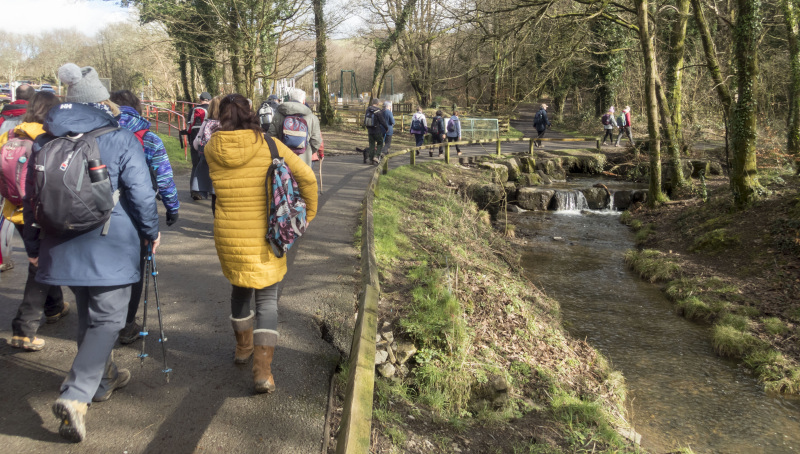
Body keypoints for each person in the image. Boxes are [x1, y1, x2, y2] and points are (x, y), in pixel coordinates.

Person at [26, 63, 160, 442]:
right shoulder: (119, 139)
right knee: (109, 320)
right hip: (110, 245)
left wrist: (35, 247)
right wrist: (150, 234)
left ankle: (103, 381)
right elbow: (141, 194)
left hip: (60, 244)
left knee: (90, 312)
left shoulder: (44, 140)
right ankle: (76, 394)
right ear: (101, 100)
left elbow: (31, 197)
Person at [204, 93, 318, 394]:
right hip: (267, 235)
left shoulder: (211, 148)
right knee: (267, 299)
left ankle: (243, 350)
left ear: (222, 117)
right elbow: (306, 177)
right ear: (251, 113)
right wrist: (309, 214)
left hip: (229, 235)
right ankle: (262, 372)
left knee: (239, 289)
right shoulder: (270, 145)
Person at [109, 90, 180, 344]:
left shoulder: (95, 133)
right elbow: (163, 177)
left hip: (98, 212)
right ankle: (126, 324)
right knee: (136, 268)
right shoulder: (148, 138)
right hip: (136, 215)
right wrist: (172, 208)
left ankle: (102, 319)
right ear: (137, 108)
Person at [2, 91, 70, 351]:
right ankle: (23, 328)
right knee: (38, 266)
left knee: (42, 259)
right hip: (39, 212)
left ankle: (54, 307)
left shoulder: (11, 135)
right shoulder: (47, 138)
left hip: (14, 210)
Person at [268, 88, 322, 170]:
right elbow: (316, 141)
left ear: (289, 99)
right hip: (304, 159)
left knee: (284, 181)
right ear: (303, 101)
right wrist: (307, 151)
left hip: (283, 159)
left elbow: (271, 136)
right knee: (304, 181)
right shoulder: (311, 117)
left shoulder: (278, 114)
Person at [192, 95, 222, 215]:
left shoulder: (207, 122)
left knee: (214, 194)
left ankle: (216, 219)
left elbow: (196, 142)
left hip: (208, 159)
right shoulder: (228, 123)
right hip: (223, 161)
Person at [185, 92, 212, 200]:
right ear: (209, 100)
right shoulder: (211, 109)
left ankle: (194, 190)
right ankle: (207, 189)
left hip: (194, 142)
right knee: (207, 166)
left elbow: (188, 128)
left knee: (195, 165)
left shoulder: (193, 110)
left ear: (200, 99)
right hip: (206, 143)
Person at [363, 99, 388, 165]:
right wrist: (386, 128)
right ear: (377, 103)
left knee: (371, 145)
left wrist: (368, 128)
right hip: (377, 130)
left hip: (370, 131)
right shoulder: (378, 111)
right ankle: (376, 156)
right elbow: (382, 121)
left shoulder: (368, 109)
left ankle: (371, 159)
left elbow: (365, 120)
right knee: (380, 143)